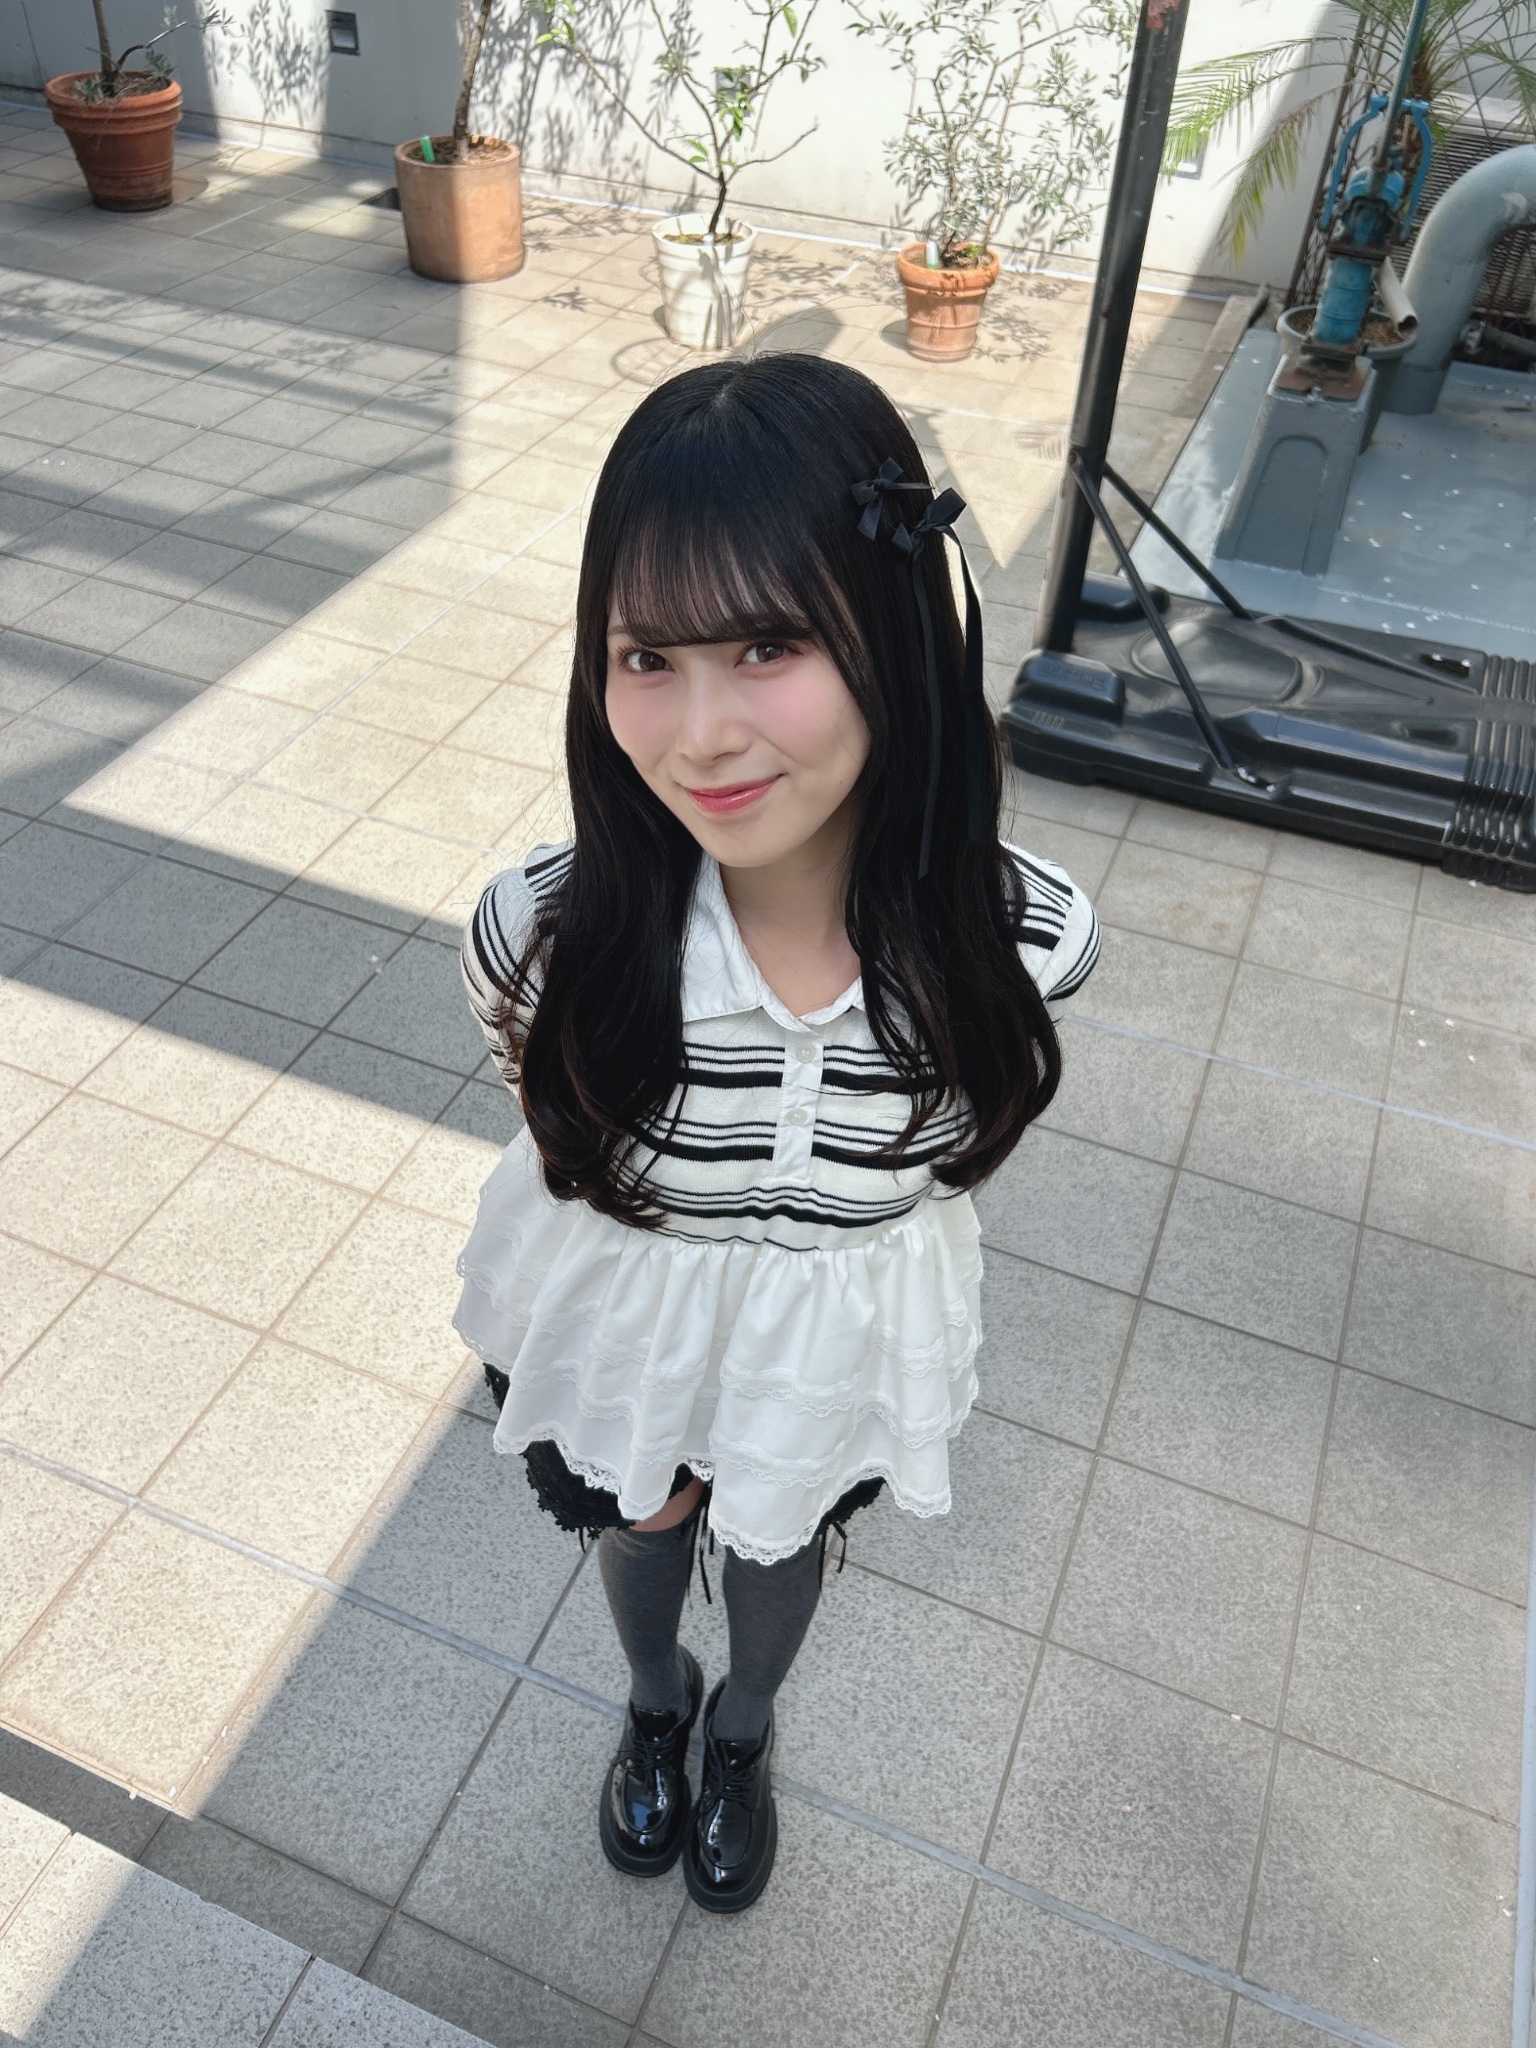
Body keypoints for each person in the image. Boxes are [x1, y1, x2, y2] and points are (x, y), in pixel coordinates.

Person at [455, 353, 1099, 1915]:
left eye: (768, 644)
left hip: (828, 1332)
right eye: (646, 656)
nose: (701, 734)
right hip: (629, 1314)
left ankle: (741, 1728)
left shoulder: (1023, 939)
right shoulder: (542, 933)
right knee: (646, 1510)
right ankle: (655, 1703)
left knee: (779, 1525)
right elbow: (545, 1111)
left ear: (896, 631)